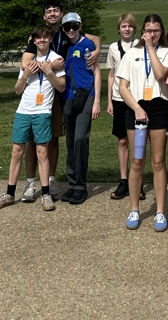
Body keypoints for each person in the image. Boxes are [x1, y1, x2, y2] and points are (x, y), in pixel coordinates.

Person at [21, 0, 100, 202]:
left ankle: (54, 181)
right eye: (49, 11)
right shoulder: (38, 36)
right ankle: (31, 183)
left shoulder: (68, 33)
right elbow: (25, 64)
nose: (52, 14)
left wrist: (97, 49)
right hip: (46, 91)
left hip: (64, 92)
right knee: (34, 140)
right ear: (44, 15)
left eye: (56, 10)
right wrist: (51, 66)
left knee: (56, 138)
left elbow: (94, 39)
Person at [0, 26, 66, 211]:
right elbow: (17, 90)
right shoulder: (28, 62)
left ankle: (46, 194)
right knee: (17, 151)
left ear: (50, 39)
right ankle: (9, 193)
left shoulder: (56, 60)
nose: (42, 41)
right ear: (33, 40)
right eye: (38, 38)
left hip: (42, 112)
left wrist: (49, 72)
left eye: (45, 38)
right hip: (23, 111)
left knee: (42, 152)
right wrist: (24, 76)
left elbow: (62, 87)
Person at [116, 14, 168, 231]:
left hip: (159, 107)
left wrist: (150, 47)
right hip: (136, 108)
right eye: (149, 30)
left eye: (156, 30)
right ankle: (134, 208)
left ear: (162, 32)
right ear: (142, 30)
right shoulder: (131, 53)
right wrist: (137, 108)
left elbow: (161, 74)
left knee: (158, 162)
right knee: (137, 160)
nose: (152, 34)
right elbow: (123, 86)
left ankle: (160, 211)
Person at [61, 12, 101, 205]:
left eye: (74, 26)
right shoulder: (64, 46)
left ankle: (81, 185)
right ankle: (72, 182)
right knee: (70, 141)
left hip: (86, 95)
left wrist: (96, 102)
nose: (71, 30)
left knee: (80, 139)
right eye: (67, 27)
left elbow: (97, 72)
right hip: (68, 97)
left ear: (80, 26)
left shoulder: (88, 45)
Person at [106, 13, 138, 200]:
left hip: (136, 99)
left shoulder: (140, 46)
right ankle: (124, 180)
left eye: (130, 26)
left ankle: (137, 179)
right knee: (122, 140)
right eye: (123, 26)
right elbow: (112, 74)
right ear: (119, 29)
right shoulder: (113, 48)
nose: (127, 29)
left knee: (137, 142)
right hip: (119, 99)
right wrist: (109, 100)